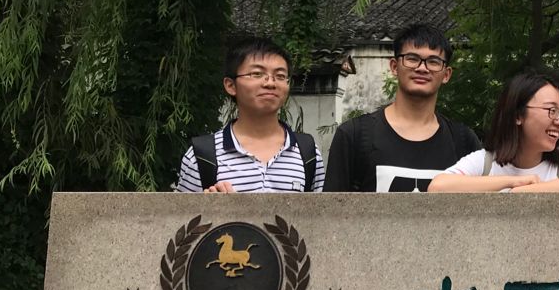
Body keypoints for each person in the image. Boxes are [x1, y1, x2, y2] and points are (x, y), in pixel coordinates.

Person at [324, 23, 481, 192]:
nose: (422, 68)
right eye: (412, 59)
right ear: (394, 66)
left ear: (446, 74)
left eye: (433, 62)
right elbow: (331, 206)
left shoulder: (463, 141)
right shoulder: (354, 135)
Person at [174, 37, 324, 193]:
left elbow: (322, 208)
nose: (270, 83)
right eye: (257, 74)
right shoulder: (202, 156)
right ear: (231, 85)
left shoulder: (307, 152)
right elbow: (182, 209)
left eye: (280, 76)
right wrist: (213, 205)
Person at [426, 73, 559, 192]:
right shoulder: (485, 162)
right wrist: (514, 182)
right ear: (517, 115)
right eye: (552, 110)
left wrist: (522, 191)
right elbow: (438, 186)